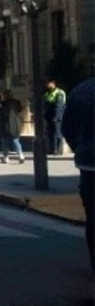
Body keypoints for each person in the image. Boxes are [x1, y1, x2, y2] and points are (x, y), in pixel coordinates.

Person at [60, 77, 94, 272]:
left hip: (88, 165)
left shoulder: (80, 90)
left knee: (92, 218)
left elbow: (66, 128)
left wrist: (80, 150)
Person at [0, 89, 25, 164]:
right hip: (16, 124)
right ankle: (21, 155)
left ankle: (6, 157)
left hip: (6, 124)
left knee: (5, 141)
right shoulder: (17, 102)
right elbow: (20, 110)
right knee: (15, 140)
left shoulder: (3, 104)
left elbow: (1, 113)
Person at [44, 79, 67, 155]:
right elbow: (45, 105)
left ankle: (58, 150)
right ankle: (51, 149)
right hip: (48, 117)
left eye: (49, 83)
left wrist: (57, 117)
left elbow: (59, 106)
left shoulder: (59, 93)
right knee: (50, 133)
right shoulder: (47, 93)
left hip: (57, 116)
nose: (47, 84)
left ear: (53, 83)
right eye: (47, 83)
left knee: (57, 133)